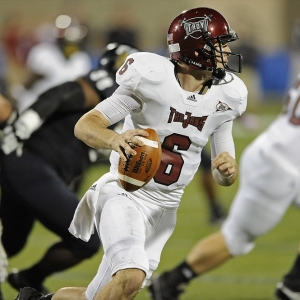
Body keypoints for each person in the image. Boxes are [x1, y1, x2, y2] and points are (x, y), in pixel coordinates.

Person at [15, 7, 248, 300]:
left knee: (104, 293)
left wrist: (227, 170)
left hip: (165, 210)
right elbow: (86, 124)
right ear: (196, 48)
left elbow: (223, 173)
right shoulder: (152, 80)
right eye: (220, 44)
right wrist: (114, 139)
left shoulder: (227, 95)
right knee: (130, 275)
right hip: (125, 194)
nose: (226, 51)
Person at [0, 42, 139, 295]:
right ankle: (30, 278)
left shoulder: (129, 106)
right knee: (85, 241)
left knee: (11, 243)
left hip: (32, 170)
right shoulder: (102, 85)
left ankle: (27, 277)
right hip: (31, 163)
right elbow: (59, 94)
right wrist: (24, 126)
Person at [147, 73, 300, 300]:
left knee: (236, 236)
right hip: (283, 165)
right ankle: (291, 288)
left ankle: (171, 281)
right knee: (236, 237)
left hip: (274, 152)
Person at [12, 14, 92, 113]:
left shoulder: (81, 59)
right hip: (35, 106)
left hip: (61, 111)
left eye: (74, 44)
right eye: (68, 43)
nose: (71, 47)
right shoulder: (44, 52)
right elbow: (29, 81)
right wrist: (17, 96)